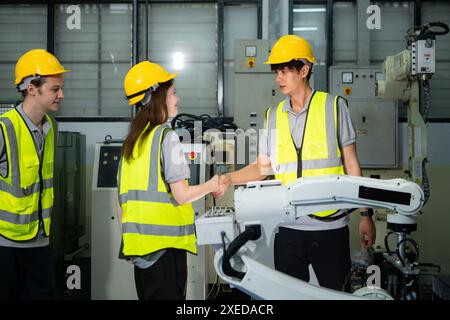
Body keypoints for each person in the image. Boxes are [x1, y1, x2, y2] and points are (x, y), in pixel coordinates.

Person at [216, 35, 376, 291]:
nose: (278, 78)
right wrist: (228, 178)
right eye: (276, 71)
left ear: (304, 70)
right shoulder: (273, 114)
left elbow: (352, 165)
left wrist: (366, 215)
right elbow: (262, 167)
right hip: (288, 227)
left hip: (330, 227)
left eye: (284, 71)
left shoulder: (334, 107)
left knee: (336, 295)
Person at [117, 61, 219, 300]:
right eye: (172, 93)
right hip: (165, 251)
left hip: (140, 253)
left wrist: (132, 242)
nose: (177, 99)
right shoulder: (166, 137)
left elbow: (121, 203)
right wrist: (212, 184)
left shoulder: (132, 141)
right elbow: (181, 195)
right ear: (155, 96)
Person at [0, 49, 69, 299]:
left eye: (61, 88)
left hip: (39, 242)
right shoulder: (5, 128)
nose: (61, 95)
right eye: (54, 89)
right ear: (31, 88)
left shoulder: (51, 127)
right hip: (5, 245)